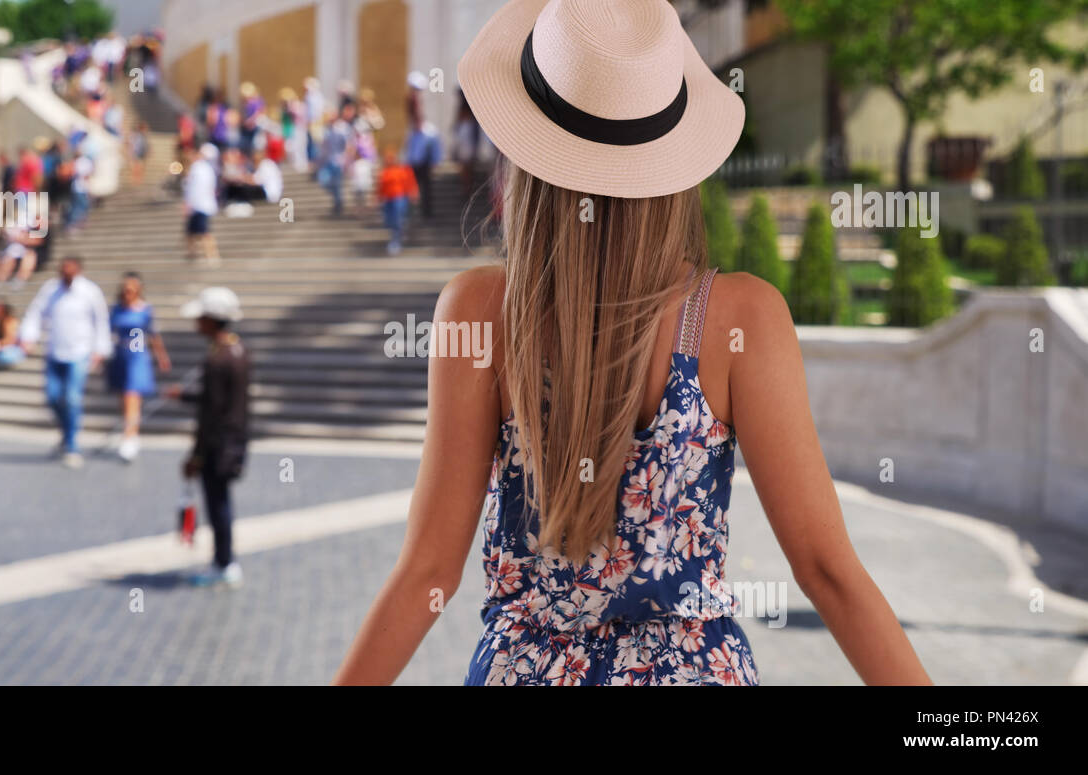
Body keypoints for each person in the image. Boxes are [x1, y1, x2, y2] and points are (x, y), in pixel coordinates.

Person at [334, 0, 932, 687]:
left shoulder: (480, 313)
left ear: (527, 155)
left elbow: (426, 574)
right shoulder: (741, 318)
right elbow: (827, 569)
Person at [174, 287, 249, 588]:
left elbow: (212, 413)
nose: (197, 324)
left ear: (212, 319)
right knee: (221, 502)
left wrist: (196, 454)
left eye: (201, 318)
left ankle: (224, 561)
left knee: (218, 504)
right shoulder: (237, 351)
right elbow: (218, 401)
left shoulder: (218, 359)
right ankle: (223, 559)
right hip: (234, 439)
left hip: (218, 444)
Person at [19, 256, 112, 468]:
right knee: (52, 397)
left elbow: (101, 321)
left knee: (72, 398)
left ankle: (71, 444)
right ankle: (66, 429)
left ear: (78, 272)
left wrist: (100, 349)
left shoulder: (90, 291)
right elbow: (35, 313)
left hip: (79, 352)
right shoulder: (50, 289)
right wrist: (29, 337)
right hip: (55, 352)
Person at [106, 273, 170, 462]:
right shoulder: (117, 309)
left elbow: (153, 334)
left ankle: (129, 435)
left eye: (131, 289)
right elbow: (108, 331)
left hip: (137, 356)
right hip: (120, 355)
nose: (128, 293)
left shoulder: (145, 310)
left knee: (132, 395)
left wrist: (161, 356)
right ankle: (131, 430)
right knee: (123, 397)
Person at [377, 148, 419, 256]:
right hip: (388, 199)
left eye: (391, 158)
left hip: (399, 198)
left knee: (397, 219)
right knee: (389, 220)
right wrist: (378, 197)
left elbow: (410, 183)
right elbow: (381, 186)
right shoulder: (385, 172)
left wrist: (413, 193)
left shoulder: (403, 170)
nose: (389, 160)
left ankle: (396, 241)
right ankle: (398, 235)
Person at [183, 144, 220, 262]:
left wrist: (188, 204)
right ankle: (193, 254)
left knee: (204, 233)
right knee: (191, 232)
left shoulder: (199, 168)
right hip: (200, 205)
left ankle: (211, 255)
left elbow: (195, 188)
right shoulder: (205, 168)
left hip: (200, 205)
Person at [405, 120, 443, 220]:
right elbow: (409, 149)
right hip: (414, 165)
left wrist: (435, 162)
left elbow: (435, 148)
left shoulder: (430, 133)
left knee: (426, 189)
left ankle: (427, 212)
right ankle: (412, 211)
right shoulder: (411, 133)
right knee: (413, 189)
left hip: (425, 164)